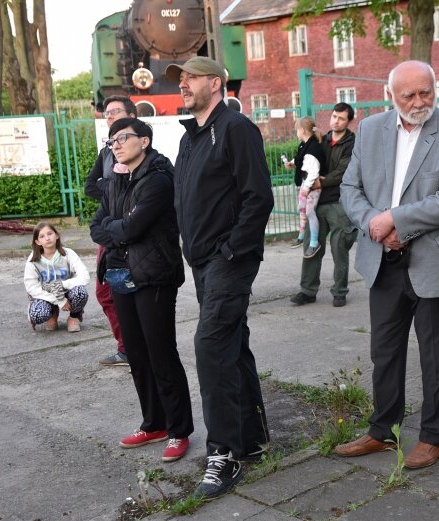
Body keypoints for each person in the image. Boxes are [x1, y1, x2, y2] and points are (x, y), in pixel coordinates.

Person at [337, 61, 439, 469]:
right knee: (385, 352)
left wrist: (395, 220)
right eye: (408, 95)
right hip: (382, 258)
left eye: (426, 92)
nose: (419, 102)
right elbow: (350, 187)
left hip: (434, 259)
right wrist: (374, 224)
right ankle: (383, 430)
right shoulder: (369, 129)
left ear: (436, 89)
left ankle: (435, 437)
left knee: (436, 355)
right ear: (389, 95)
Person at [164, 56, 274, 499]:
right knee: (231, 344)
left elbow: (258, 197)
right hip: (202, 262)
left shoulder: (235, 128)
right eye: (181, 80)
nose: (184, 85)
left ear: (215, 82)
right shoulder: (192, 137)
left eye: (190, 78)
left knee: (209, 347)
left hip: (228, 260)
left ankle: (224, 452)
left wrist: (232, 250)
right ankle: (252, 438)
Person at [90, 117, 193, 463]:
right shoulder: (116, 179)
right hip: (120, 273)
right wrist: (117, 228)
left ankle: (179, 430)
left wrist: (117, 227)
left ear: (144, 141)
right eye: (111, 140)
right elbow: (97, 227)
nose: (116, 144)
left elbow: (134, 227)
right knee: (136, 353)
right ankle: (154, 423)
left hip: (154, 274)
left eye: (123, 138)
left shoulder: (159, 179)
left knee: (161, 352)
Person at [85, 95, 137, 366]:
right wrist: (112, 187)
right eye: (106, 113)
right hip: (108, 231)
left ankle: (136, 348)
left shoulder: (141, 150)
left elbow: (139, 188)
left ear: (132, 116)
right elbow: (90, 186)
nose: (109, 116)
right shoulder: (106, 151)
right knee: (106, 293)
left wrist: (115, 187)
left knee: (131, 292)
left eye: (115, 111)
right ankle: (127, 347)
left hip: (133, 234)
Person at [290, 102, 358, 307]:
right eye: (334, 116)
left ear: (349, 121)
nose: (336, 121)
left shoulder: (352, 143)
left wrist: (321, 181)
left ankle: (339, 292)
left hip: (338, 202)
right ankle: (308, 290)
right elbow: (308, 158)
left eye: (341, 118)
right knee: (312, 247)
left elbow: (344, 171)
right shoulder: (322, 139)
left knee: (339, 249)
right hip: (317, 200)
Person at [25, 222, 90, 333]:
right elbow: (31, 287)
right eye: (42, 236)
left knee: (81, 292)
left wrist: (62, 285)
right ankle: (52, 314)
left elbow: (85, 276)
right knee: (37, 314)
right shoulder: (33, 259)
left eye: (50, 234)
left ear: (57, 235)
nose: (47, 238)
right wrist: (59, 301)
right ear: (37, 242)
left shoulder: (68, 254)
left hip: (68, 292)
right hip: (46, 295)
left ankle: (73, 317)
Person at [285, 116, 327, 259]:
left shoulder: (313, 147)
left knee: (309, 212)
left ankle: (314, 243)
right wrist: (292, 163)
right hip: (306, 183)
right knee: (301, 208)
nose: (296, 132)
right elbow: (300, 159)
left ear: (302, 130)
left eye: (297, 129)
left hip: (312, 186)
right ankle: (302, 234)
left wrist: (306, 188)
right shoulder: (304, 144)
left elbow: (314, 171)